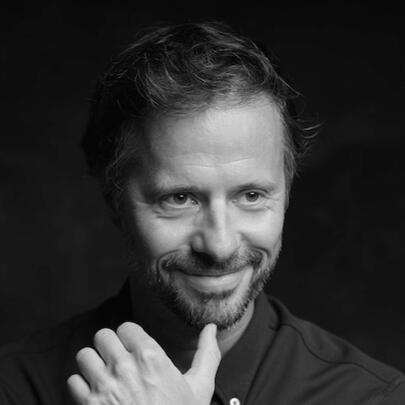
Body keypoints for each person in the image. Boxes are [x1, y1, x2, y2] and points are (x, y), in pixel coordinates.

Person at [0, 21, 403, 405]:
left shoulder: (374, 398)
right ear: (114, 200)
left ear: (286, 193)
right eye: (179, 198)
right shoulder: (13, 389)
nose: (220, 246)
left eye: (251, 196)